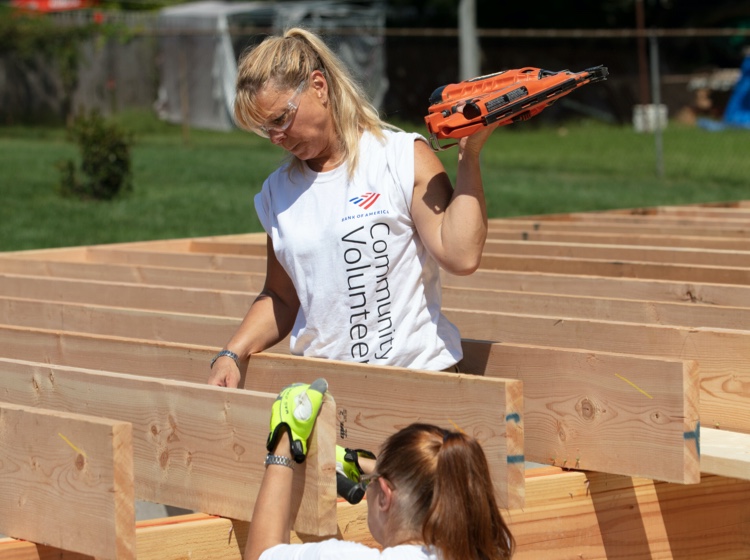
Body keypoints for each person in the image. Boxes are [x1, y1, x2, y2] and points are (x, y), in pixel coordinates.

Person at [208, 27, 498, 388]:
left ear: (319, 86)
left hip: (421, 381)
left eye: (281, 118)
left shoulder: (401, 156)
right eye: (265, 129)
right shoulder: (277, 193)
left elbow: (461, 255)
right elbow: (282, 297)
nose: (276, 138)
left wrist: (468, 156)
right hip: (329, 392)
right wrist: (232, 353)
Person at [247, 379, 515, 560]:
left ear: (386, 497)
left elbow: (262, 553)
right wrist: (363, 465)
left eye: (373, 483)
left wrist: (286, 437)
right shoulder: (484, 549)